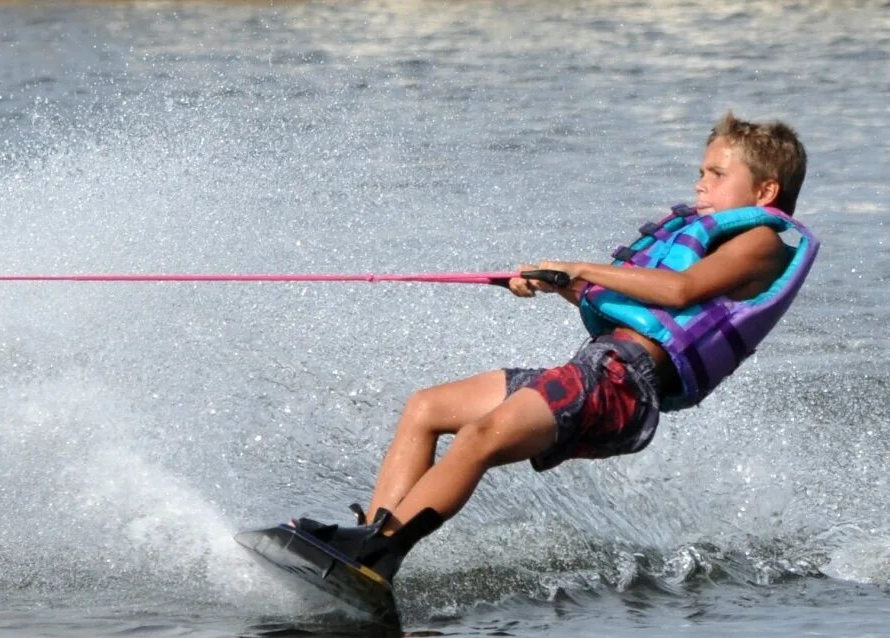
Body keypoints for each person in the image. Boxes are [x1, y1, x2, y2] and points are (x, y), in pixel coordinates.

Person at [296, 112, 819, 583]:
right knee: (427, 408)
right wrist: (555, 284)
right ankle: (369, 542)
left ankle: (378, 555)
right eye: (702, 172)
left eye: (716, 175)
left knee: (480, 437)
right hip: (597, 368)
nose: (699, 184)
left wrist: (583, 269)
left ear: (765, 191)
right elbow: (644, 311)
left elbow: (680, 292)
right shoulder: (717, 237)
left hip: (623, 383)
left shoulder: (760, 243)